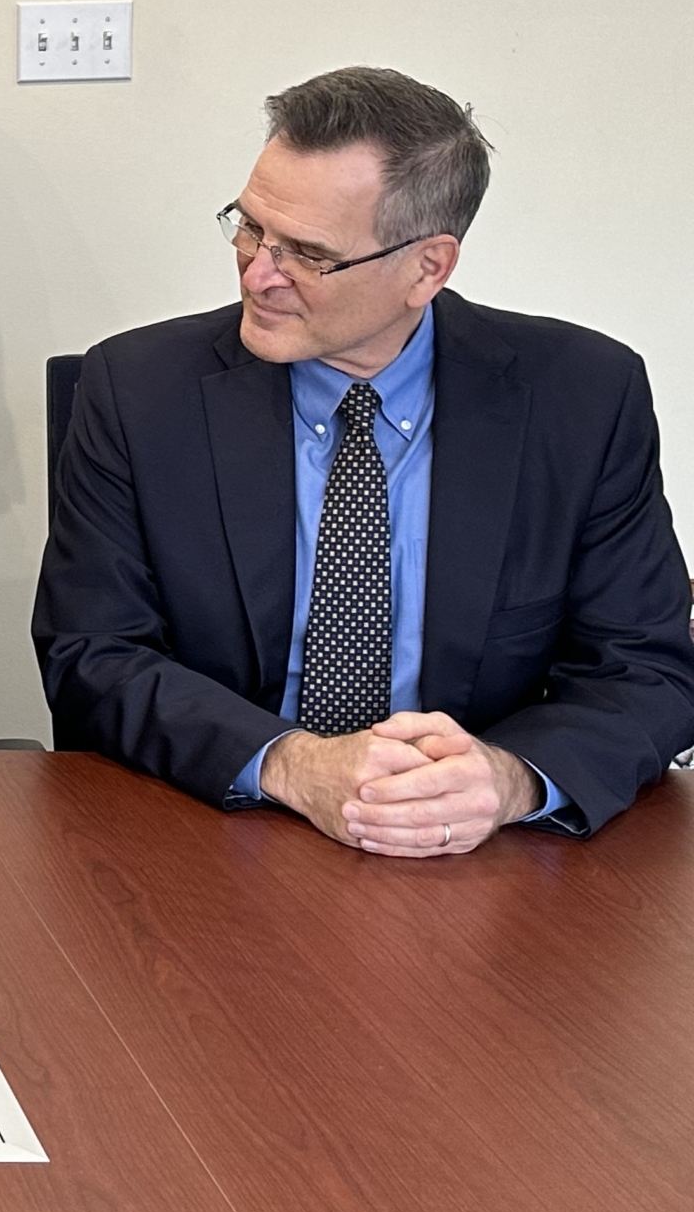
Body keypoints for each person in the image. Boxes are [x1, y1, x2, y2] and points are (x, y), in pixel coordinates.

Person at [35, 67, 694, 851]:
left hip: (478, 853)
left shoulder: (582, 397)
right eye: (249, 228)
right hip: (210, 834)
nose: (258, 273)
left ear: (428, 267)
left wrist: (511, 778)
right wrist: (292, 765)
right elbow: (91, 653)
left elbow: (645, 670)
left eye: (309, 255)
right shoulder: (138, 389)